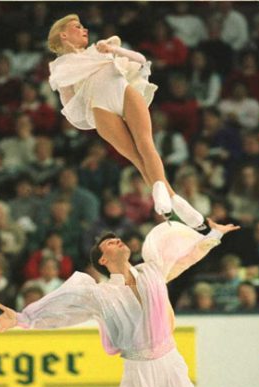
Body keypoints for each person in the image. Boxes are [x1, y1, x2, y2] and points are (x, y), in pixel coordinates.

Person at [0, 211, 239, 387]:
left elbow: (185, 258)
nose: (117, 240)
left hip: (171, 361)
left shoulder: (153, 270)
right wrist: (23, 318)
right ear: (103, 261)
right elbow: (63, 310)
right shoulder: (101, 294)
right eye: (109, 243)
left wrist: (214, 234)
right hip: (137, 369)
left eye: (116, 238)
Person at [46, 14, 205, 231]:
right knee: (137, 158)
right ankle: (174, 201)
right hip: (100, 106)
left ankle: (163, 194)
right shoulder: (61, 67)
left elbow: (140, 60)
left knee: (146, 144)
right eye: (77, 27)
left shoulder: (101, 48)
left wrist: (114, 51)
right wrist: (85, 107)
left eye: (83, 26)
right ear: (63, 35)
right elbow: (69, 106)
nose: (84, 30)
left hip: (123, 90)